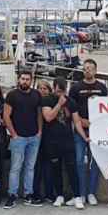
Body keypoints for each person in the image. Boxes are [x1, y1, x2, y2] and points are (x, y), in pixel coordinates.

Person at [69, 58, 108, 209]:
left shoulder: (102, 88)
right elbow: (71, 109)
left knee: (95, 162)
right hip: (80, 130)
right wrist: (81, 121)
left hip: (97, 131)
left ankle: (91, 192)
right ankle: (81, 193)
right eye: (85, 68)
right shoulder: (75, 87)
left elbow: (107, 109)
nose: (88, 71)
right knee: (79, 162)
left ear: (95, 70)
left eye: (90, 68)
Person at [4, 70, 44, 208]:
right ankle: (12, 195)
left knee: (30, 167)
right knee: (15, 168)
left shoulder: (36, 94)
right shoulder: (12, 95)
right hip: (18, 137)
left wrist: (39, 131)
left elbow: (39, 113)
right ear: (18, 80)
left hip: (33, 137)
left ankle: (28, 194)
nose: (25, 81)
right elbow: (6, 115)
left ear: (31, 81)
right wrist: (13, 134)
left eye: (27, 79)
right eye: (23, 79)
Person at [41, 77, 77, 208]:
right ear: (54, 89)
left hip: (67, 140)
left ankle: (77, 195)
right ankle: (59, 195)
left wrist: (85, 137)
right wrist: (59, 104)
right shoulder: (47, 100)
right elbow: (48, 117)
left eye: (62, 91)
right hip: (52, 141)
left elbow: (76, 121)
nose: (60, 94)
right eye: (57, 91)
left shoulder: (71, 101)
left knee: (71, 169)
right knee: (55, 169)